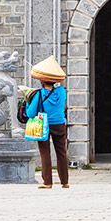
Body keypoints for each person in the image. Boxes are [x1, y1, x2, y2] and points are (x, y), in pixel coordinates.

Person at [30, 55, 69, 190]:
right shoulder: (62, 92)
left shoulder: (39, 95)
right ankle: (64, 181)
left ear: (42, 82)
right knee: (61, 151)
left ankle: (47, 182)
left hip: (43, 124)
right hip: (59, 124)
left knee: (45, 152)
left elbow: (30, 113)